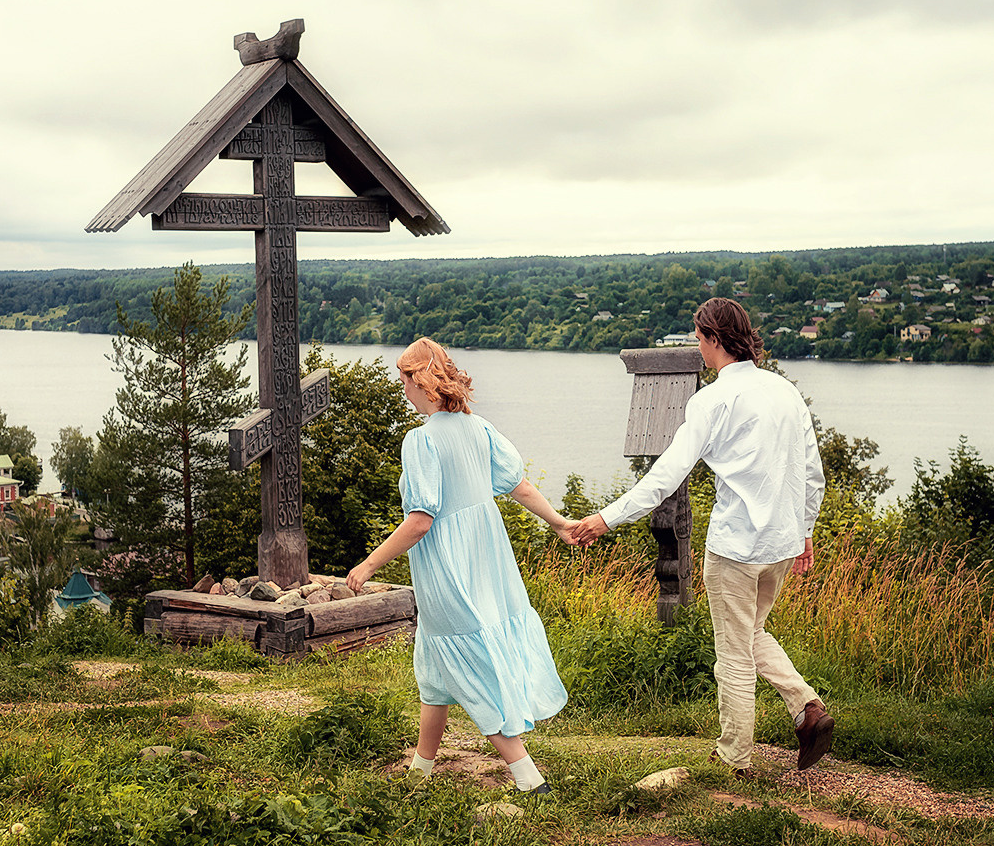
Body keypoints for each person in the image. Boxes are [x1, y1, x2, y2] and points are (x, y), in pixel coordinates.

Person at [568, 297, 832, 778]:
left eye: (698, 336)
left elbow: (664, 476)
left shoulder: (711, 400)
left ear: (713, 338)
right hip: (781, 544)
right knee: (750, 634)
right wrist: (805, 532)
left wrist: (606, 518)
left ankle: (734, 758)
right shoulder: (784, 392)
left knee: (732, 653)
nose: (697, 344)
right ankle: (807, 709)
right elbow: (811, 473)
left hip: (735, 549)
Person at [347, 338, 573, 795]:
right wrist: (559, 523)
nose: (404, 391)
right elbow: (520, 485)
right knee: (436, 669)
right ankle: (420, 771)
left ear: (421, 382)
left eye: (405, 381)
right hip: (486, 557)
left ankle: (529, 778)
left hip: (447, 566)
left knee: (468, 663)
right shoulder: (477, 427)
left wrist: (368, 565)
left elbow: (420, 521)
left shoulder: (421, 439)